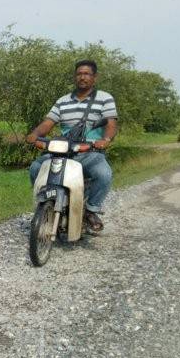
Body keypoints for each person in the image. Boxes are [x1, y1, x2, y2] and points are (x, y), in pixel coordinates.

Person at [25, 60, 118, 232]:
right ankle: (45, 204)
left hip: (90, 151)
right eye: (79, 74)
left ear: (94, 77)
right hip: (64, 151)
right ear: (75, 77)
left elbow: (111, 123)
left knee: (103, 174)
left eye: (87, 74)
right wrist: (35, 134)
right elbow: (48, 122)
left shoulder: (105, 98)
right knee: (35, 168)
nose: (82, 77)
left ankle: (91, 210)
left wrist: (105, 140)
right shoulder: (63, 101)